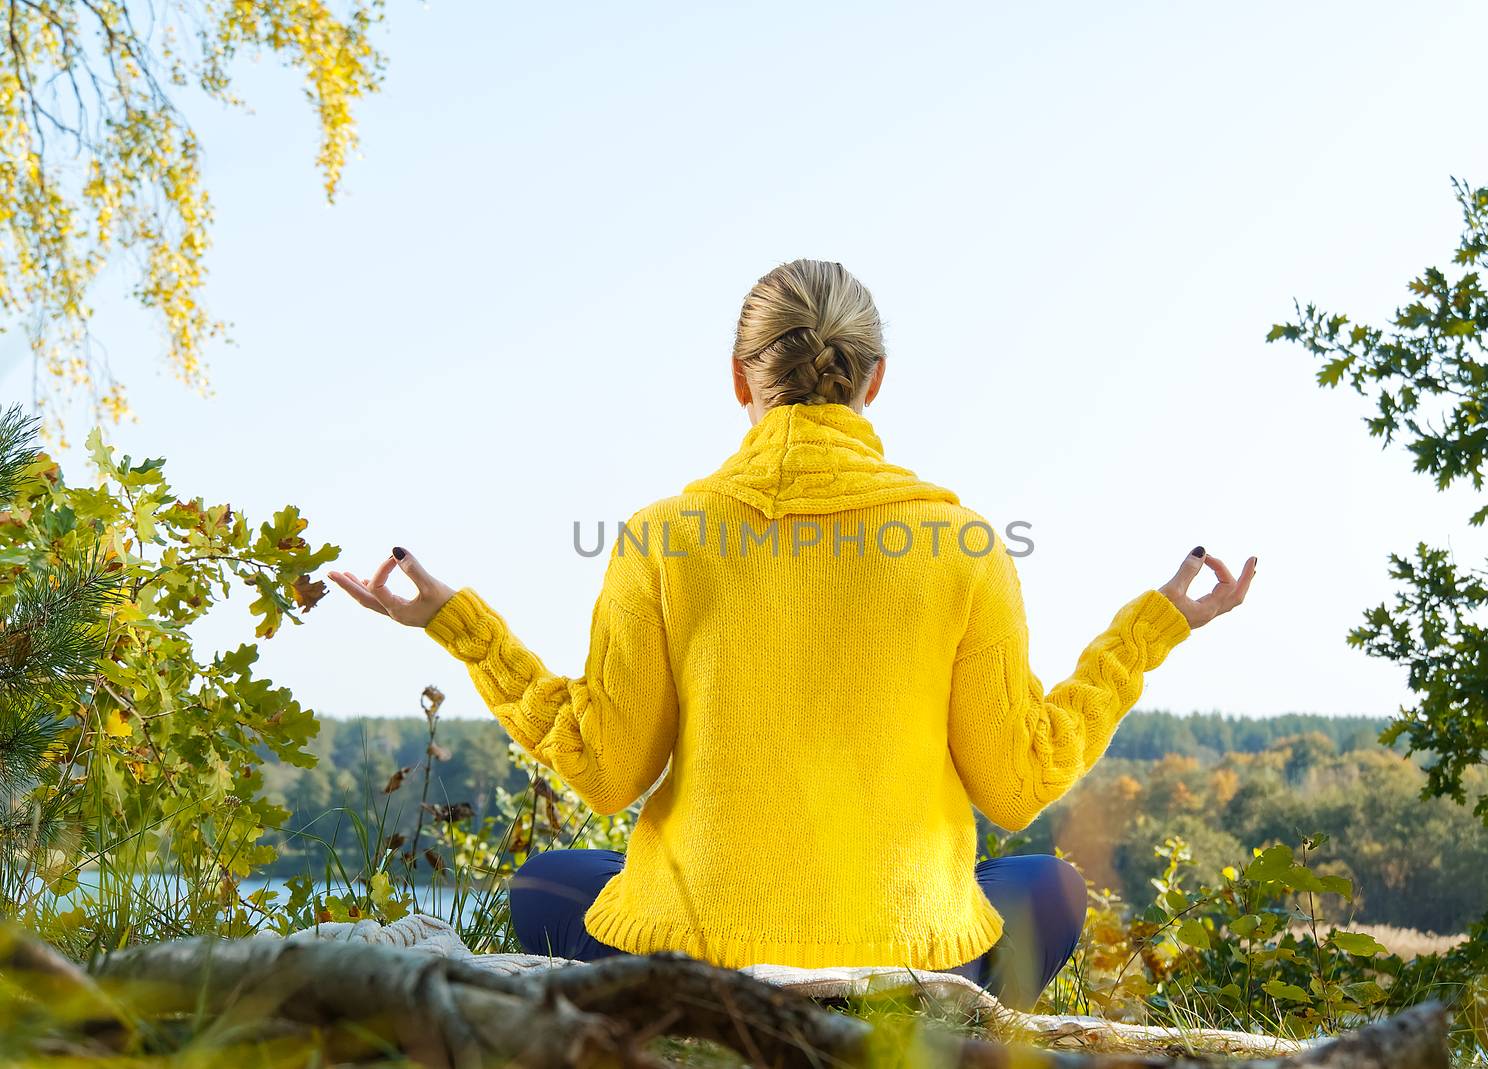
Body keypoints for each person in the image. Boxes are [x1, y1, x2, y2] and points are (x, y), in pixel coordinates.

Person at [329, 258, 1256, 1011]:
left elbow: (602, 770)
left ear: (740, 379)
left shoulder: (664, 539)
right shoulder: (965, 545)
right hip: (905, 963)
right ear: (876, 380)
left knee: (548, 883)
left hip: (703, 964)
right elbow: (1020, 783)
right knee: (1048, 885)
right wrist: (1153, 627)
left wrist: (459, 624)